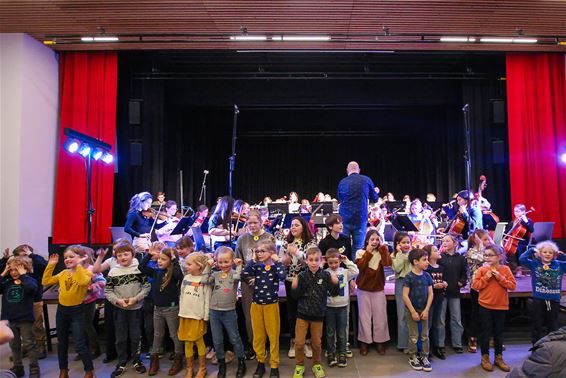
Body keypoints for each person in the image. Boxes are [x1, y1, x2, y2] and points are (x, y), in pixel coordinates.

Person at [42, 246, 95, 378]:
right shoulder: (63, 274)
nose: (67, 259)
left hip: (77, 311)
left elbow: (83, 282)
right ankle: (63, 370)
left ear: (81, 258)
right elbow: (45, 281)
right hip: (62, 311)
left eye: (71, 257)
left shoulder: (86, 272)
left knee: (79, 342)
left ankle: (89, 370)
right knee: (62, 342)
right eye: (66, 257)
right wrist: (50, 265)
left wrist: (79, 266)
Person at [104, 241, 151, 377]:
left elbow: (146, 287)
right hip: (119, 309)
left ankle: (137, 360)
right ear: (115, 257)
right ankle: (122, 361)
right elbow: (108, 291)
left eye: (126, 254)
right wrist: (117, 301)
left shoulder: (138, 269)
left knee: (136, 336)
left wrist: (136, 299)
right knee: (121, 337)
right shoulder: (113, 271)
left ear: (132, 255)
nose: (123, 257)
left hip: (135, 308)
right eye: (120, 255)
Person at [291, 247, 339, 378]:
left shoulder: (326, 275)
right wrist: (294, 286)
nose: (313, 263)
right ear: (306, 261)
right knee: (299, 343)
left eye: (316, 260)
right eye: (310, 260)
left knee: (317, 344)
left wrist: (336, 283)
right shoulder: (301, 276)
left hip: (318, 315)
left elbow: (334, 293)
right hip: (302, 314)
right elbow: (295, 296)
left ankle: (316, 364)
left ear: (321, 260)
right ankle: (299, 365)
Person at [235, 209, 276, 359]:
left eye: (255, 222)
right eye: (249, 223)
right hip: (248, 282)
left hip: (265, 280)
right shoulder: (242, 239)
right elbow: (238, 260)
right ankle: (254, 345)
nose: (252, 225)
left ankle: (267, 345)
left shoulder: (269, 237)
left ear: (261, 222)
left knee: (266, 315)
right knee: (250, 315)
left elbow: (272, 260)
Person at [242, 241, 286, 378]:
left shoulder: (274, 268)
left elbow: (283, 276)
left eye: (262, 251)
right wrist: (252, 259)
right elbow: (244, 274)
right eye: (257, 251)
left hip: (271, 306)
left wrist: (277, 261)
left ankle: (274, 365)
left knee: (273, 337)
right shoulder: (256, 267)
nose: (259, 253)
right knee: (258, 337)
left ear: (271, 253)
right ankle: (260, 362)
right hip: (256, 306)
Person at [139, 247, 184, 376]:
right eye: (159, 259)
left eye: (163, 259)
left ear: (170, 260)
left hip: (171, 309)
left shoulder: (173, 273)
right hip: (157, 309)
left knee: (174, 335)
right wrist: (149, 255)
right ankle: (154, 360)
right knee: (157, 334)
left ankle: (178, 359)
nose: (160, 261)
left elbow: (179, 275)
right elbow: (141, 267)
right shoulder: (156, 272)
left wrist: (175, 260)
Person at [471, 244, 516, 372]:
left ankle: (498, 357)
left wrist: (500, 278)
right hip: (485, 305)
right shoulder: (482, 270)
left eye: (491, 255)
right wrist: (486, 278)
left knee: (499, 333)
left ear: (499, 256)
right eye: (486, 255)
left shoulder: (505, 269)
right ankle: (485, 358)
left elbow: (512, 285)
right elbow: (475, 286)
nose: (488, 258)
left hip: (501, 306)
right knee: (485, 332)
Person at [204, 247, 247, 378]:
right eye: (220, 262)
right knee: (217, 340)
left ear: (232, 261)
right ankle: (222, 363)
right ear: (216, 262)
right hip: (214, 311)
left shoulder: (234, 273)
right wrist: (208, 267)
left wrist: (239, 265)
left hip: (229, 311)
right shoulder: (215, 275)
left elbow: (238, 277)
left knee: (234, 337)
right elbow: (204, 280)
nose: (223, 265)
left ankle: (241, 362)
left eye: (226, 262)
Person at [0, 245, 48, 359]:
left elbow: (45, 266)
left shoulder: (35, 263)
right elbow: (3, 272)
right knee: (21, 328)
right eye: (18, 257)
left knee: (36, 326)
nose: (20, 260)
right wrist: (5, 260)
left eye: (23, 256)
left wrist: (32, 255)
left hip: (35, 300)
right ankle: (25, 348)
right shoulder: (13, 273)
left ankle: (40, 347)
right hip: (19, 302)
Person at [279, 217, 317, 358]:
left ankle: (306, 341)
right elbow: (281, 262)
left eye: (296, 225)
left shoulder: (310, 243)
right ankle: (294, 341)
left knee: (306, 310)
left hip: (306, 280)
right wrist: (286, 258)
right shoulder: (286, 243)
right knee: (292, 311)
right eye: (292, 225)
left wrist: (297, 253)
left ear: (303, 227)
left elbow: (312, 262)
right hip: (290, 280)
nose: (293, 227)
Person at [519, 241, 566, 345]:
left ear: (554, 254)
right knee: (537, 323)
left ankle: (552, 346)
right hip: (539, 299)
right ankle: (536, 345)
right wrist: (532, 249)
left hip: (553, 300)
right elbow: (522, 259)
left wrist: (562, 256)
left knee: (552, 324)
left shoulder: (559, 265)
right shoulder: (534, 264)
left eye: (550, 252)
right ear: (539, 253)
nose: (548, 254)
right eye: (544, 252)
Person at [1, 256, 40, 378]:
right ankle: (18, 367)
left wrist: (23, 276)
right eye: (11, 270)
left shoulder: (30, 281)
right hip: (10, 319)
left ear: (26, 269)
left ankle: (34, 368)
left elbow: (32, 289)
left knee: (29, 344)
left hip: (25, 319)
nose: (13, 273)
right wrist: (3, 273)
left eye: (17, 270)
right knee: (14, 344)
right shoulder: (7, 283)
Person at [354, 230, 391, 356]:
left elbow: (387, 264)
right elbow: (360, 267)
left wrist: (384, 250)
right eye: (372, 239)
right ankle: (364, 342)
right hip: (363, 289)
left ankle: (380, 342)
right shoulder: (361, 252)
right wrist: (368, 253)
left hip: (378, 289)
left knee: (380, 317)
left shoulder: (382, 252)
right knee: (364, 317)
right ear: (367, 241)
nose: (375, 242)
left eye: (377, 239)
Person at [178, 252, 212, 378]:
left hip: (197, 316)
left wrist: (206, 316)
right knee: (187, 342)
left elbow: (207, 298)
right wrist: (181, 311)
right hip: (185, 314)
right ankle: (189, 368)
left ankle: (202, 368)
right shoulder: (186, 278)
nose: (186, 266)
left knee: (199, 341)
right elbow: (181, 295)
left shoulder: (204, 280)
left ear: (198, 265)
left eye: (189, 264)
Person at [325, 248, 358, 367]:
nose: (333, 265)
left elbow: (355, 271)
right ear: (327, 262)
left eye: (336, 262)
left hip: (342, 307)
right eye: (330, 263)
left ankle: (342, 353)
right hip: (329, 307)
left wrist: (347, 260)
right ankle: (331, 353)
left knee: (342, 332)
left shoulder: (344, 272)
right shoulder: (325, 273)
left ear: (339, 261)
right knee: (330, 332)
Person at [402, 249, 433, 372]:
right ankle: (413, 356)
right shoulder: (409, 276)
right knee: (414, 335)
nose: (427, 263)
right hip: (412, 310)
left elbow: (431, 294)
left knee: (425, 335)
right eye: (424, 260)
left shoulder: (427, 276)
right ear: (415, 262)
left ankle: (424, 356)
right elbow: (405, 295)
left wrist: (426, 310)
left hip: (424, 309)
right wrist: (413, 311)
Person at [337, 161, 379, 252]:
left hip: (344, 219)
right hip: (360, 219)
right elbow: (375, 199)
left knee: (343, 247)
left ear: (347, 170)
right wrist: (376, 191)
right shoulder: (366, 180)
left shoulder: (342, 182)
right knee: (358, 248)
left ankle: (345, 266)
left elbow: (340, 199)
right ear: (359, 170)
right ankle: (356, 266)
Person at [438, 233, 467, 354]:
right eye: (443, 241)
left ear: (455, 243)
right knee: (441, 319)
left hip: (455, 291)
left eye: (447, 241)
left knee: (456, 319)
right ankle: (440, 343)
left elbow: (464, 273)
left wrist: (462, 282)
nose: (444, 243)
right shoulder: (440, 257)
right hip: (442, 292)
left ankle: (457, 343)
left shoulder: (460, 258)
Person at [465, 229, 493, 354]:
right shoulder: (471, 252)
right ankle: (473, 338)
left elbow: (500, 256)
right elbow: (483, 259)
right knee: (476, 313)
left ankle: (488, 337)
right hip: (476, 287)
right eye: (485, 239)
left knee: (489, 313)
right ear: (477, 240)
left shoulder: (490, 251)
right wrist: (481, 245)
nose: (488, 241)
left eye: (488, 239)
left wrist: (491, 243)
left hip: (489, 286)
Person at [75, 247, 105, 361]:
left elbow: (102, 282)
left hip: (88, 301)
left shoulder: (91, 269)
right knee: (78, 326)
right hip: (75, 301)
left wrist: (92, 287)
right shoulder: (73, 269)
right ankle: (83, 349)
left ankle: (95, 349)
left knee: (87, 325)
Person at [423, 244, 447, 361]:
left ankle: (437, 347)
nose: (439, 251)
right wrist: (433, 285)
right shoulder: (427, 269)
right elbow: (424, 283)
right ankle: (426, 349)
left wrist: (444, 284)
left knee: (437, 323)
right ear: (429, 255)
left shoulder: (441, 267)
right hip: (429, 300)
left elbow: (443, 280)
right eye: (435, 250)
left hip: (439, 298)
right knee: (428, 324)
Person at [391, 231, 412, 351]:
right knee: (402, 314)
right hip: (401, 283)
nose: (406, 245)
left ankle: (412, 342)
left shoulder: (413, 254)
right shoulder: (394, 255)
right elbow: (397, 268)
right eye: (403, 242)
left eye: (408, 242)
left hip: (412, 283)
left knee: (412, 312)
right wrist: (400, 254)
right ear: (397, 244)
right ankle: (403, 344)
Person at [504, 204, 535, 275]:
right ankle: (511, 267)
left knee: (517, 249)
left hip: (523, 241)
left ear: (523, 212)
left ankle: (520, 268)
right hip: (514, 240)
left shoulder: (528, 220)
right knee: (505, 249)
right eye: (515, 211)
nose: (516, 213)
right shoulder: (514, 221)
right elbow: (507, 231)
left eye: (518, 211)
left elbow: (532, 230)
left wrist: (526, 221)